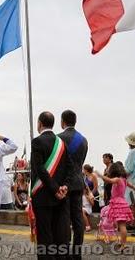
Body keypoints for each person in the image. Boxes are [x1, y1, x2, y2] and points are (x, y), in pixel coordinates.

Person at [30, 111, 73, 260]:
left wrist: (55, 189)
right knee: (60, 234)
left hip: (43, 197)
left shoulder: (37, 142)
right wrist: (64, 186)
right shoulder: (61, 143)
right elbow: (70, 167)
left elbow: (39, 169)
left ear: (40, 124)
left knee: (44, 236)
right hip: (61, 196)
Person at [57, 109, 88, 260]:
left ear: (62, 121)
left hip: (64, 184)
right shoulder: (83, 140)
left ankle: (65, 251)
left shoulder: (58, 139)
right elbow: (80, 163)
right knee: (77, 219)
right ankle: (77, 252)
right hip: (78, 182)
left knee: (64, 219)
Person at [98, 162, 135, 252]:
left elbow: (110, 180)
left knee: (122, 225)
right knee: (120, 225)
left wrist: (100, 175)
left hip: (118, 203)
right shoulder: (123, 179)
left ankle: (123, 244)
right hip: (122, 203)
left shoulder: (118, 179)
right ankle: (122, 242)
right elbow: (130, 185)